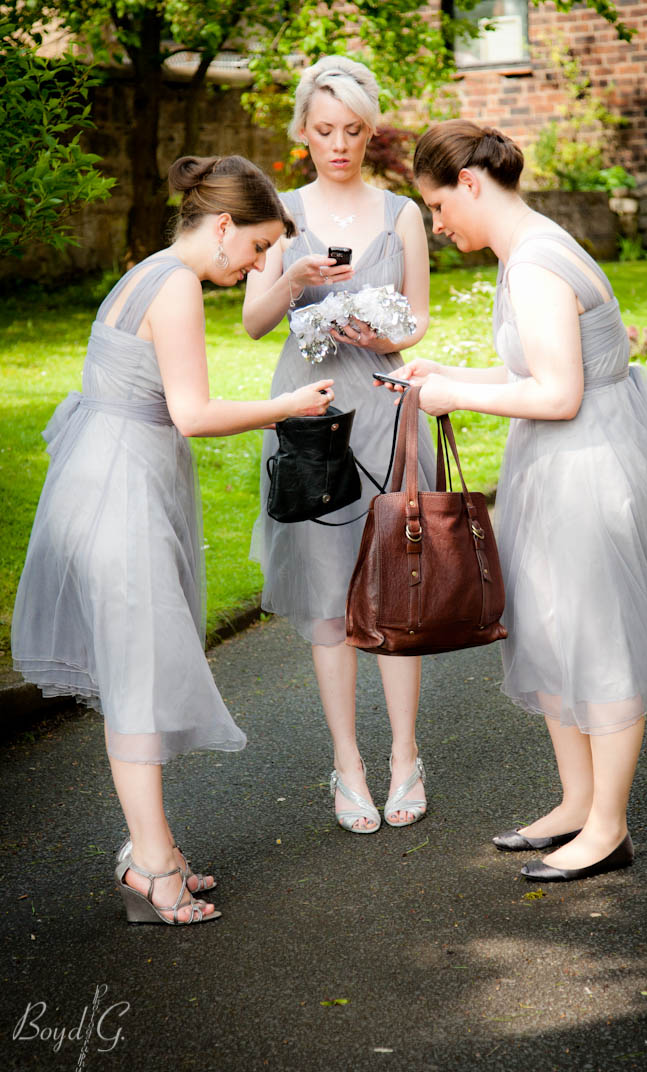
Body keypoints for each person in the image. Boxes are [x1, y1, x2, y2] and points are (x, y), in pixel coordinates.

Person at [384, 120, 647, 880]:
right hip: (563, 466)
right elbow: (536, 370)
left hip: (584, 471)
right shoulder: (528, 250)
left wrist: (452, 396)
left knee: (596, 641)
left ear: (469, 183)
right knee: (557, 634)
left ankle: (606, 828)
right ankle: (575, 805)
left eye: (437, 207)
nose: (436, 225)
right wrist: (452, 373)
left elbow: (559, 394)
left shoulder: (534, 263)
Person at [11, 155, 335, 924]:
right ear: (222, 225)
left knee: (139, 667)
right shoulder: (179, 284)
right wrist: (285, 405)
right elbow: (192, 412)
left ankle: (156, 849)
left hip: (106, 475)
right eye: (257, 247)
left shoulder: (148, 270)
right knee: (138, 675)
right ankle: (150, 869)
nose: (258, 263)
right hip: (120, 490)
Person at [244, 56, 435, 833]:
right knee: (327, 601)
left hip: (385, 408)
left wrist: (381, 329)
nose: (339, 144)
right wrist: (293, 278)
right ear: (302, 130)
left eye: (353, 131)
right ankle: (348, 766)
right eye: (324, 131)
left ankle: (404, 758)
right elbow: (253, 320)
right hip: (310, 414)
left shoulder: (401, 215)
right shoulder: (280, 213)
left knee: (396, 593)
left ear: (370, 131)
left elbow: (417, 320)